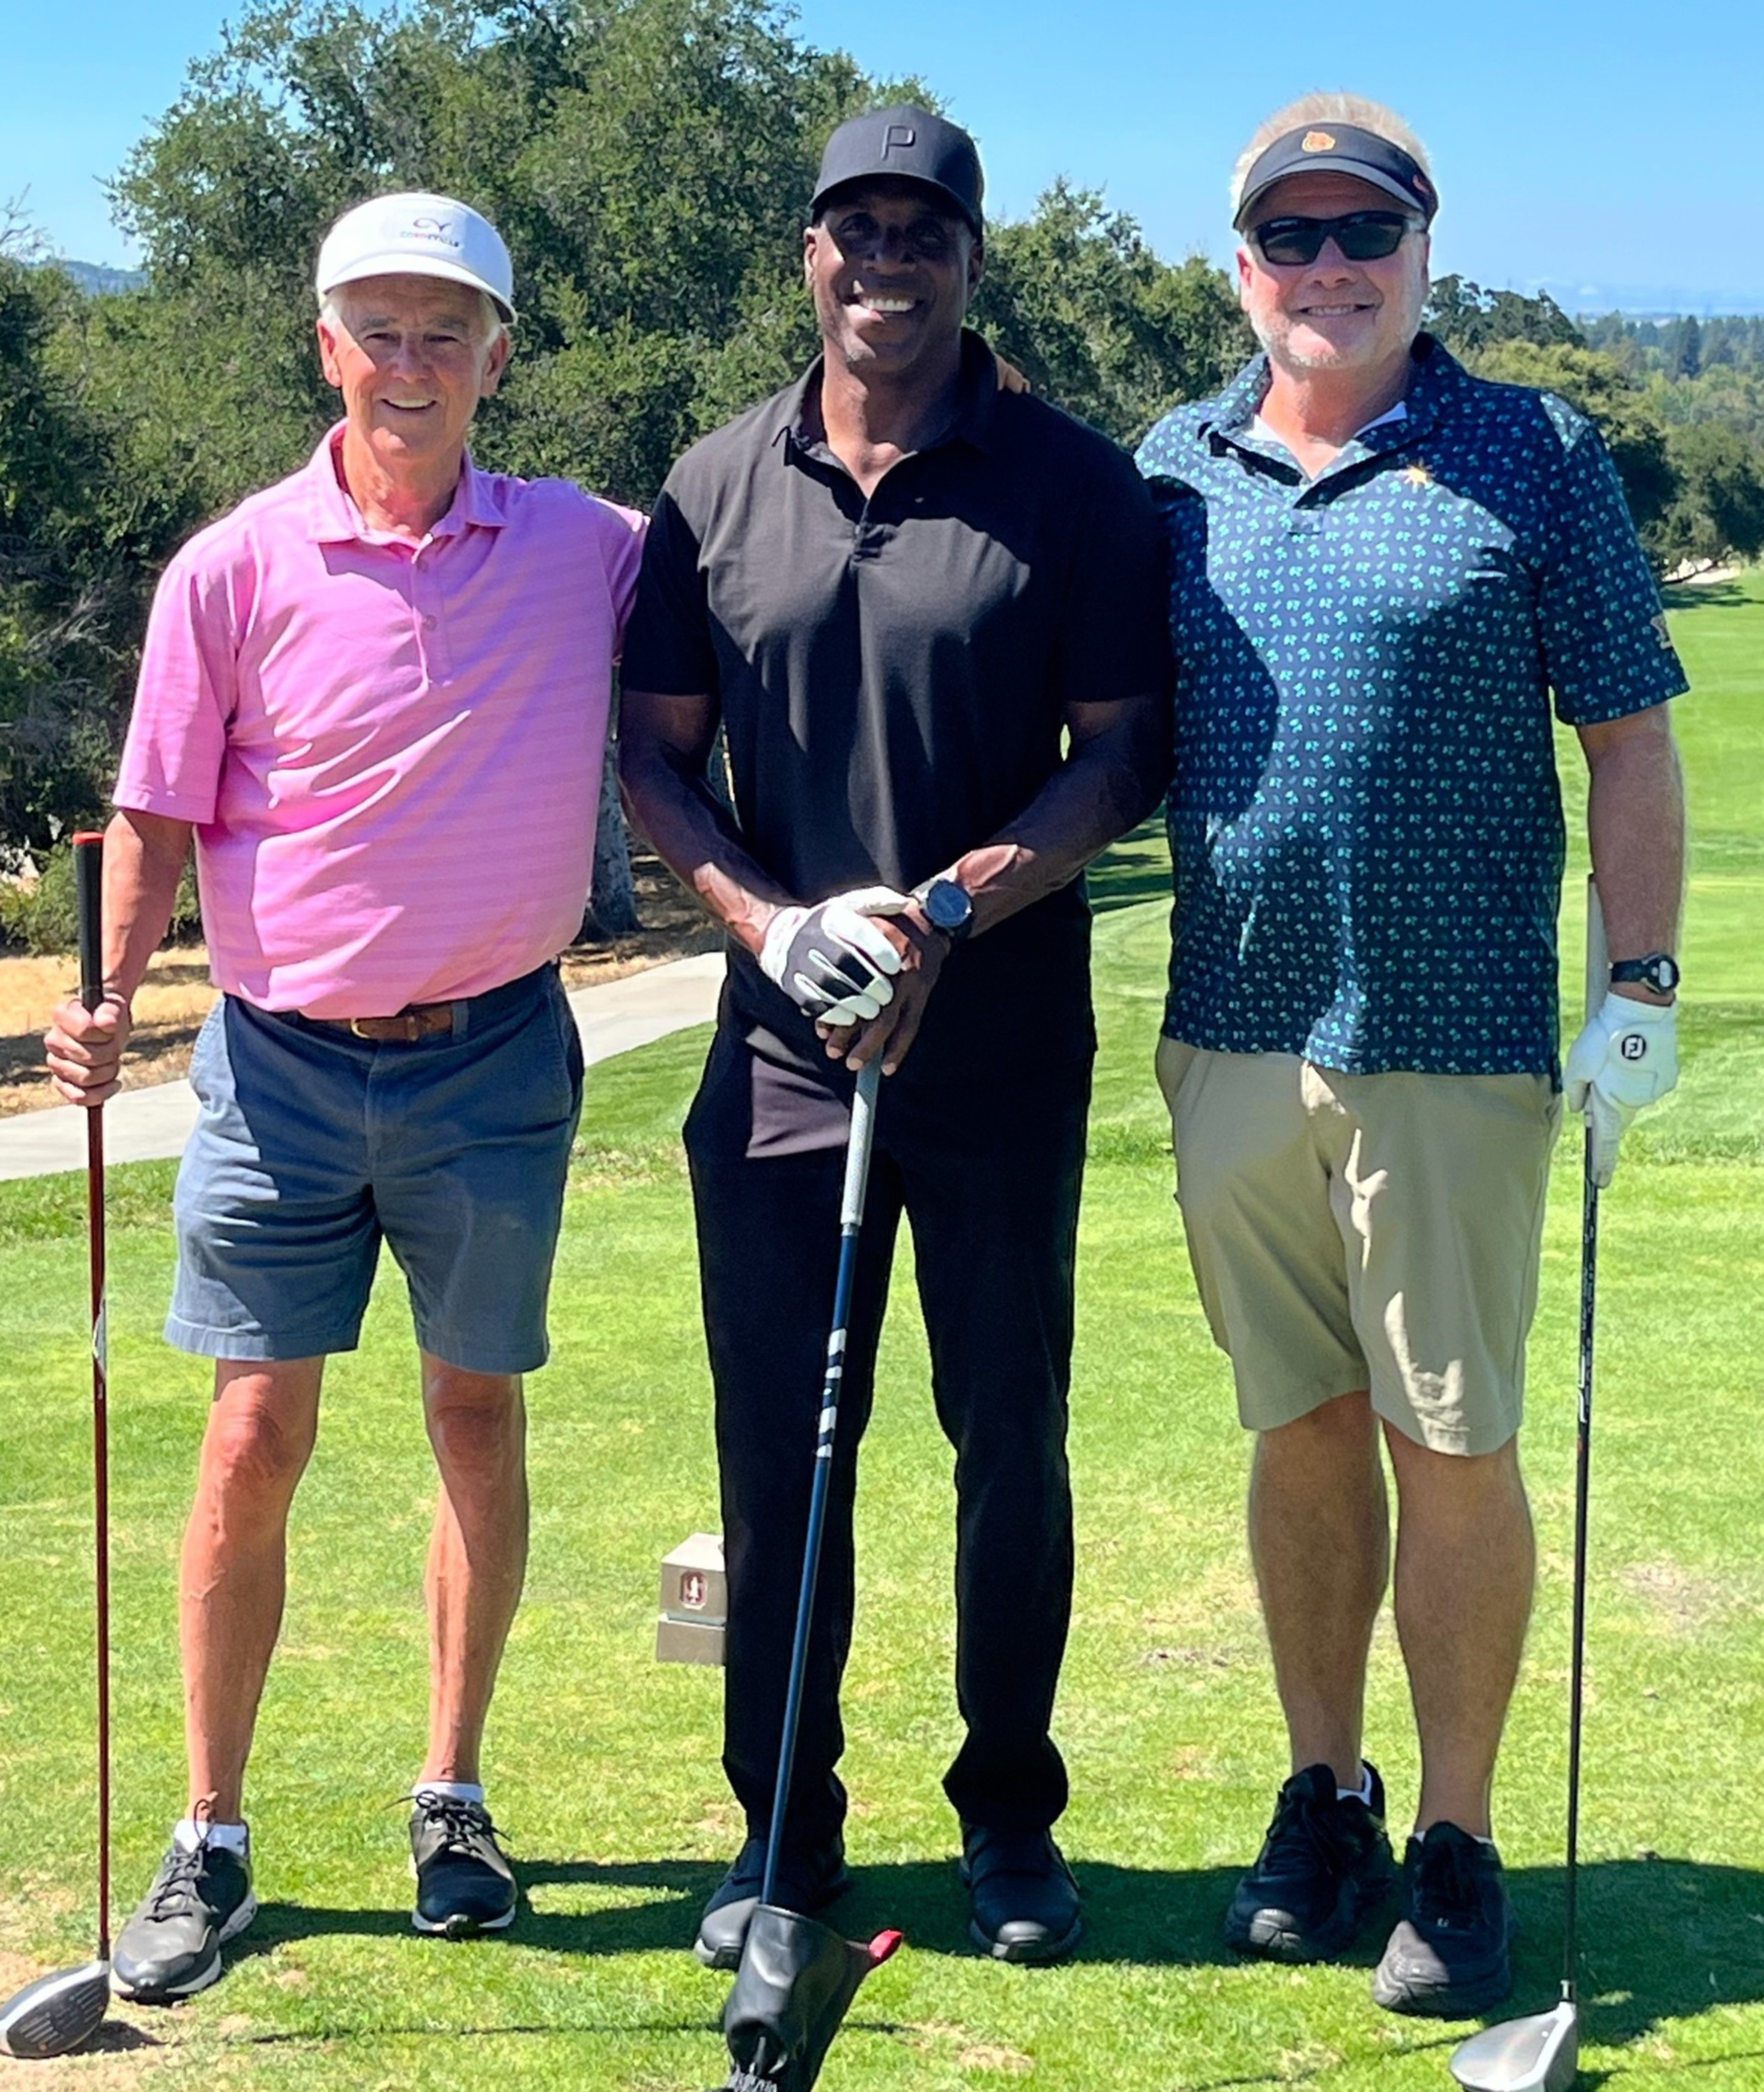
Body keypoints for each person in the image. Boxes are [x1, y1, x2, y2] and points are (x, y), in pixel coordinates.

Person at [43, 191, 644, 2001]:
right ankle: (211, 1827)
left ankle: (452, 1797)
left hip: (496, 1059)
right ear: (325, 346)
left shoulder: (590, 550)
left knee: (477, 1420)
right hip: (276, 1070)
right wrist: (100, 1005)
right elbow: (155, 809)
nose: (409, 363)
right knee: (250, 1439)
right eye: (377, 330)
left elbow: (760, 598)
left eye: (444, 332)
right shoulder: (230, 567)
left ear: (498, 357)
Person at [1135, 95, 1687, 2016]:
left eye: (1362, 230)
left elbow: (1628, 733)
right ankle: (1327, 1789)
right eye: (1289, 238)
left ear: (1424, 250)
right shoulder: (1170, 467)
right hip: (1231, 1034)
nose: (1327, 267)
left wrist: (1641, 982)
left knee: (1449, 1436)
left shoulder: (1532, 451)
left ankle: (1455, 1840)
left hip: (1451, 1043)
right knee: (1294, 1429)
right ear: (1241, 268)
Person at [619, 106, 1172, 1969]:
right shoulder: (714, 482)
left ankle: (1010, 1815)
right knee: (785, 1453)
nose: (885, 259)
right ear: (807, 256)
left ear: (970, 259)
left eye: (921, 230)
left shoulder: (1073, 485)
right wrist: (778, 928)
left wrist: (944, 910)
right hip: (779, 1056)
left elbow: (1119, 756)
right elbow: (656, 762)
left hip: (1002, 1046)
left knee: (1006, 1435)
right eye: (852, 227)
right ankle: (784, 1825)